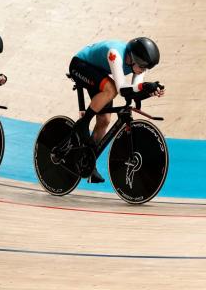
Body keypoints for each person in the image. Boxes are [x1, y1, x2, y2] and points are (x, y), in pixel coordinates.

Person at [68, 37, 164, 183]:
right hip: (80, 64)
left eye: (147, 67)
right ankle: (83, 123)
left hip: (98, 71)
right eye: (142, 65)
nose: (144, 69)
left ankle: (88, 161)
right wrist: (144, 86)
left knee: (104, 120)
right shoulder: (115, 54)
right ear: (132, 57)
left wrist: (149, 91)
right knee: (111, 89)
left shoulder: (138, 65)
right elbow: (121, 89)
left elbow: (134, 90)